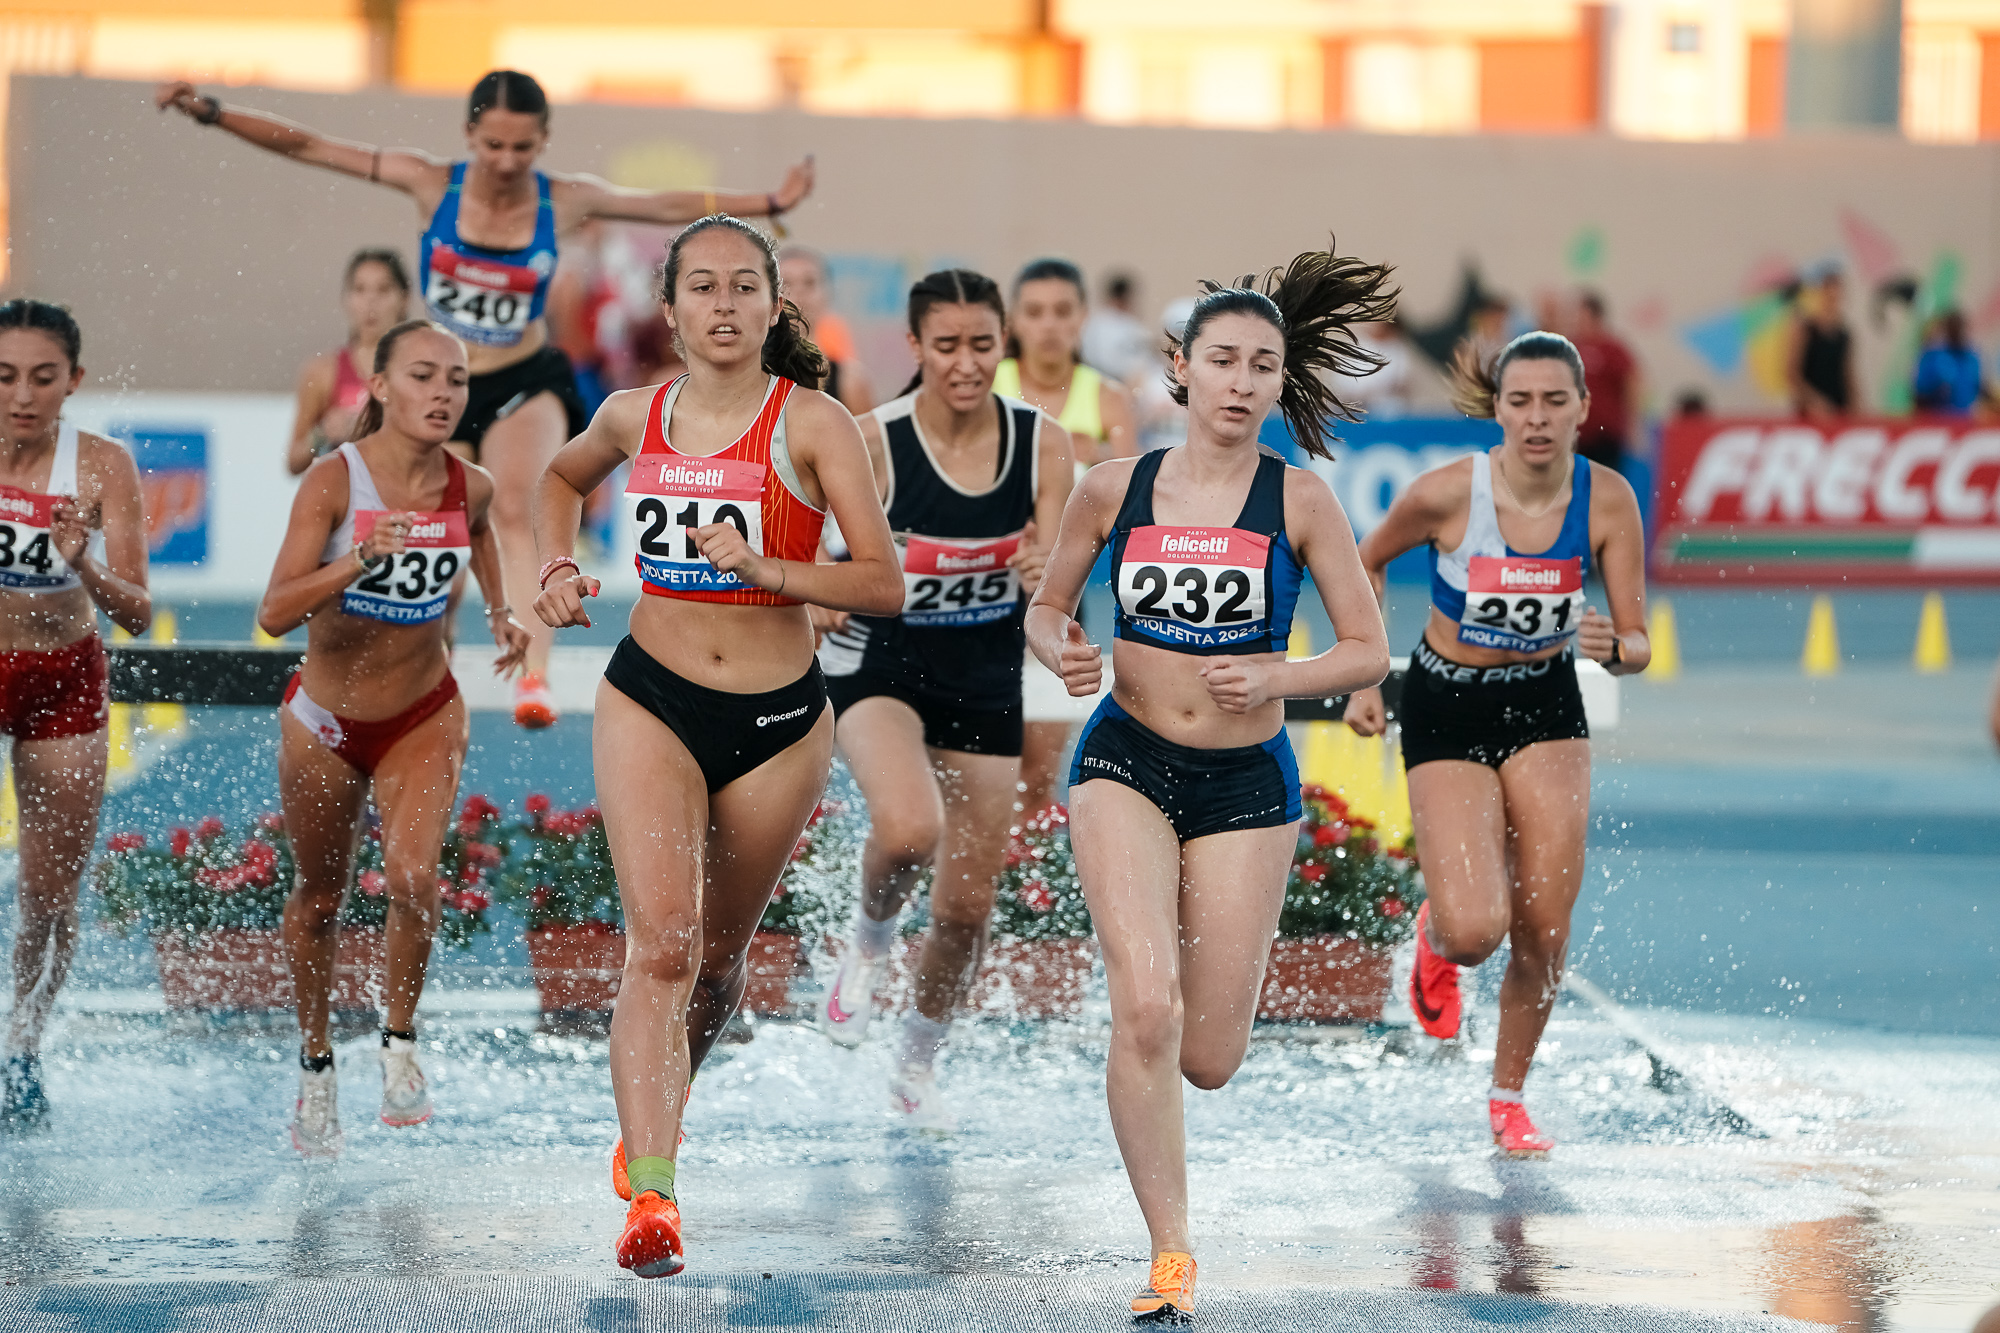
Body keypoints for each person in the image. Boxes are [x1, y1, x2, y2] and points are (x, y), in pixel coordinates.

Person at [156, 70, 814, 728]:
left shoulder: (564, 200)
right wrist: (214, 113)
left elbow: (664, 205)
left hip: (523, 376)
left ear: (543, 141)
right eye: (492, 146)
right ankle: (423, 660)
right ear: (469, 134)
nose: (505, 162)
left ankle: (534, 675)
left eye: (522, 148)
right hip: (445, 379)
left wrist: (767, 200)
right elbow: (312, 147)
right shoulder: (428, 182)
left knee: (518, 501)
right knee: (429, 522)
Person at [1026, 246, 1396, 1320]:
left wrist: (1277, 675)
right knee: (1145, 1007)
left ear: (1280, 383)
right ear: (1180, 369)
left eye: (1261, 366)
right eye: (1222, 361)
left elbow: (1366, 649)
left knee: (1208, 1055)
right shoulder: (1114, 486)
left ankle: (1174, 1076)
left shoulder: (1301, 499)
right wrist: (1062, 650)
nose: (1240, 383)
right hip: (1125, 758)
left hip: (1245, 779)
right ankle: (1171, 1255)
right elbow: (1046, 608)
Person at [531, 215, 901, 1279]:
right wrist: (554, 565)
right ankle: (654, 1191)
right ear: (670, 307)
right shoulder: (631, 414)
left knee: (717, 964)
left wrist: (771, 570)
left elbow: (882, 583)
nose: (724, 304)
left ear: (774, 307)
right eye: (703, 286)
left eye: (745, 286)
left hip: (778, 723)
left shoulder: (815, 423)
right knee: (662, 944)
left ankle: (655, 1112)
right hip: (650, 697)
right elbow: (557, 480)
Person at [1343, 330, 1650, 1162]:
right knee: (1477, 929)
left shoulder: (1608, 500)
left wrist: (1615, 647)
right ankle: (1437, 935)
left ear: (1583, 409)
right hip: (1448, 703)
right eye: (1521, 401)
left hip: (1545, 703)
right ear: (1498, 410)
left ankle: (1509, 1096)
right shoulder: (1447, 494)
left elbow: (1638, 642)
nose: (1538, 417)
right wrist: (1367, 674)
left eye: (1555, 400)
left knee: (1545, 928)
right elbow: (1364, 562)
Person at [258, 319, 528, 1156]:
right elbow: (274, 612)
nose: (443, 392)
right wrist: (358, 560)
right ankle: (315, 1066)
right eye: (422, 375)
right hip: (325, 721)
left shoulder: (470, 484)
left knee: (413, 875)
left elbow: (479, 532)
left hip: (423, 710)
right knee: (320, 897)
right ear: (379, 386)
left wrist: (500, 608)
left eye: (457, 378)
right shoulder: (333, 481)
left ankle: (399, 1041)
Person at [813, 269, 1072, 1127]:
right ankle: (867, 942)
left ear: (1005, 345)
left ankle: (917, 1064)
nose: (966, 363)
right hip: (880, 665)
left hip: (985, 678)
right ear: (915, 346)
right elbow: (808, 545)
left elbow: (1056, 581)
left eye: (982, 345)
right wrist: (812, 596)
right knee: (907, 828)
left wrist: (1045, 578)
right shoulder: (873, 441)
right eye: (948, 346)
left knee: (965, 911)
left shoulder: (1042, 444)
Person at [0, 300, 152, 1128]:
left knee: (50, 894)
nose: (22, 396)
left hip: (61, 675)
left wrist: (82, 561)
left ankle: (21, 1045)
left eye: (42, 377)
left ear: (74, 381)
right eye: (4, 377)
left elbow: (136, 611)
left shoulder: (100, 466)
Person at [994, 258, 1140, 818]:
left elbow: (1135, 504)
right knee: (971, 770)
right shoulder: (986, 386)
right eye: (1035, 312)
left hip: (1061, 597)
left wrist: (1092, 455)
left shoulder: (1106, 398)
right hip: (979, 594)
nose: (1049, 325)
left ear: (1083, 319)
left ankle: (1025, 872)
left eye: (1062, 312)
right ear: (1012, 321)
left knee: (1036, 776)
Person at [288, 250, 412, 476]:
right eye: (360, 289)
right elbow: (293, 462)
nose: (370, 301)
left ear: (404, 299)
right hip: (346, 493)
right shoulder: (323, 371)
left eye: (383, 290)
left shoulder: (423, 370)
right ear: (346, 299)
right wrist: (323, 432)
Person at [778, 245, 875, 416]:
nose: (798, 293)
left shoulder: (850, 381)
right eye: (786, 284)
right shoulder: (747, 374)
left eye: (809, 283)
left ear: (828, 293)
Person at [1570, 291, 1639, 472]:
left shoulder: (1611, 347)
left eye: (1581, 316)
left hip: (1605, 433)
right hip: (1577, 433)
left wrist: (1633, 422)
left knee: (1605, 479)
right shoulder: (1570, 347)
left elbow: (1631, 382)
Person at [1788, 267, 1856, 421]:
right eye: (1829, 294)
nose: (1833, 300)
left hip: (1839, 409)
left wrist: (1855, 407)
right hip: (1811, 412)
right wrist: (1814, 401)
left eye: (1837, 295)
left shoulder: (1844, 334)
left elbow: (1847, 375)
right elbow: (1792, 374)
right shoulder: (1806, 329)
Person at [1081, 270, 1157, 387]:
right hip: (1109, 382)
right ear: (1123, 297)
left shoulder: (1093, 324)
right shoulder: (1101, 325)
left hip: (1125, 382)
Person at [1913, 309, 1984, 416]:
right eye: (1954, 328)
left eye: (1961, 327)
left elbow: (1978, 387)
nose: (1959, 332)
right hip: (1937, 418)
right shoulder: (1934, 357)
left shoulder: (1971, 359)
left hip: (1965, 418)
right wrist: (1935, 391)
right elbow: (1918, 395)